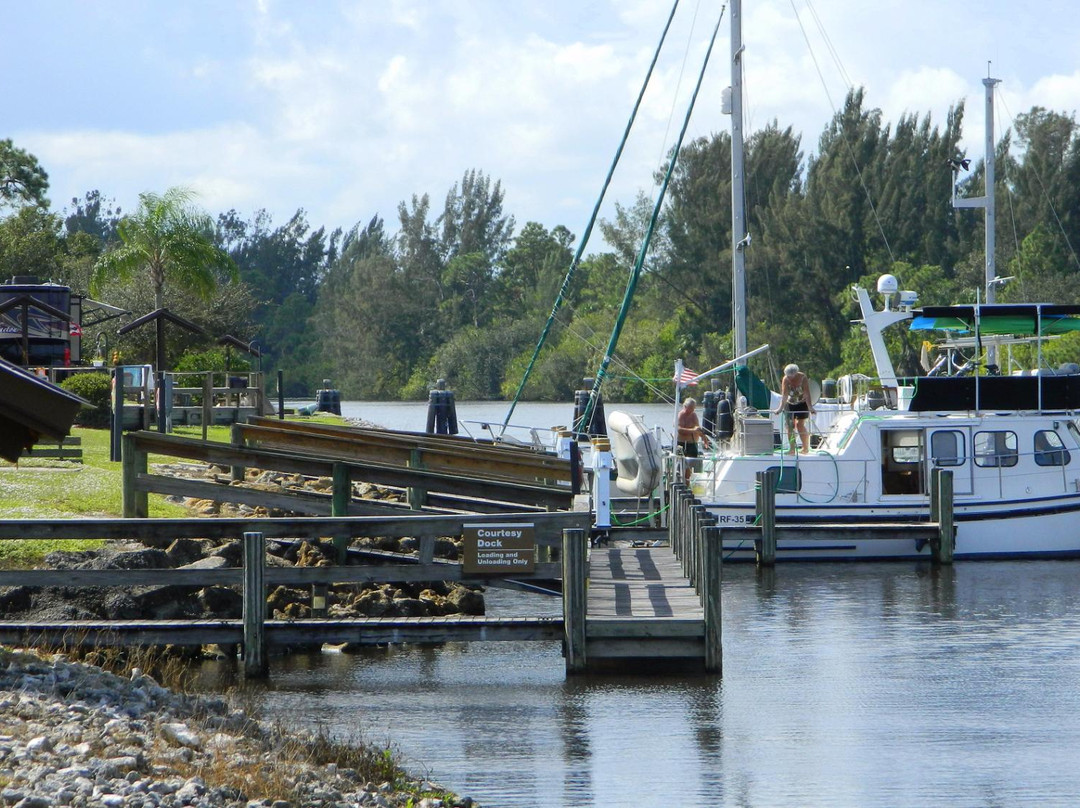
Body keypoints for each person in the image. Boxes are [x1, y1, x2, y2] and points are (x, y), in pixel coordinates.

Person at [774, 363, 815, 455]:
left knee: (800, 425)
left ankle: (805, 448)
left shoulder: (803, 378)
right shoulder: (785, 379)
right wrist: (780, 408)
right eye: (789, 376)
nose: (790, 378)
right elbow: (784, 395)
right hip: (790, 404)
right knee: (790, 426)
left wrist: (810, 407)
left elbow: (807, 393)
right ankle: (792, 449)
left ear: (796, 373)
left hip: (802, 403)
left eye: (792, 376)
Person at [677, 397, 710, 482]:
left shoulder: (694, 415)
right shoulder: (681, 415)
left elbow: (697, 428)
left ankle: (689, 483)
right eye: (691, 408)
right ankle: (682, 482)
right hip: (682, 443)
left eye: (694, 408)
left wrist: (704, 437)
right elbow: (679, 430)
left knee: (691, 466)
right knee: (682, 466)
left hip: (693, 444)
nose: (692, 410)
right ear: (685, 407)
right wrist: (692, 430)